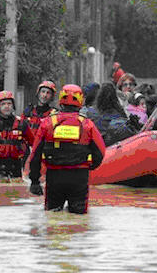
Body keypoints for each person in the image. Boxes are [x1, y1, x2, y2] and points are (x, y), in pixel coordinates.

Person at [25, 84, 106, 214]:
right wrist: (89, 166)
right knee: (78, 219)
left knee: (52, 217)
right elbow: (101, 152)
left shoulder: (47, 123)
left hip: (54, 177)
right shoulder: (87, 124)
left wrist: (34, 181)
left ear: (60, 99)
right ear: (80, 100)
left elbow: (35, 154)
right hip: (79, 177)